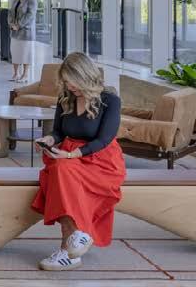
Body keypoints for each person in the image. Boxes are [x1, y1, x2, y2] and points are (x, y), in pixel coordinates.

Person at [31, 51, 125, 271]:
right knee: (60, 173)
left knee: (60, 173)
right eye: (65, 82)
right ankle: (76, 240)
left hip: (100, 159)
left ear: (85, 75)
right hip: (68, 157)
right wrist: (49, 139)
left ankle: (68, 250)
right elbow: (58, 131)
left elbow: (104, 140)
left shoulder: (110, 101)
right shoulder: (66, 98)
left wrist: (72, 155)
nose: (69, 86)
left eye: (72, 81)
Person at [9, 0, 37, 82]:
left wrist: (18, 25)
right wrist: (11, 24)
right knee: (15, 53)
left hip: (26, 33)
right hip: (15, 32)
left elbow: (30, 16)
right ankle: (16, 74)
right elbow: (10, 13)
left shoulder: (31, 1)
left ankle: (25, 75)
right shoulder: (15, 1)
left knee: (26, 54)